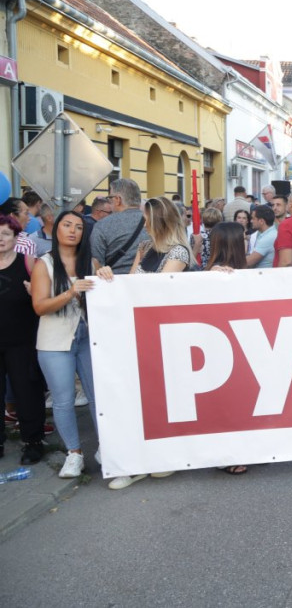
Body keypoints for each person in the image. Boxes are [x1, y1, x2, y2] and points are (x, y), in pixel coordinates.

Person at [98, 197, 195, 489]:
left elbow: (156, 291)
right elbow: (130, 285)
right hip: (138, 332)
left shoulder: (179, 252)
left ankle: (162, 457)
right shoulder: (143, 247)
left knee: (161, 397)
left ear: (157, 221)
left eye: (146, 218)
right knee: (137, 397)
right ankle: (136, 460)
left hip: (164, 334)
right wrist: (108, 277)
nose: (143, 223)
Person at [31, 211, 101, 478]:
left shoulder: (90, 262)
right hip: (54, 341)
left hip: (89, 338)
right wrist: (71, 292)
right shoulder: (44, 264)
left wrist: (105, 274)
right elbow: (40, 306)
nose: (73, 231)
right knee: (63, 401)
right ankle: (74, 453)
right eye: (67, 225)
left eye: (79, 227)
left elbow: (105, 297)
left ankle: (107, 447)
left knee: (98, 396)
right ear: (56, 228)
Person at [204, 222, 250, 475]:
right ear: (233, 242)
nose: (247, 241)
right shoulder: (215, 273)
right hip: (222, 348)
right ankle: (224, 455)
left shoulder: (242, 270)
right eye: (243, 238)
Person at [0, 214, 45, 464]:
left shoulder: (29, 263)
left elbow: (43, 297)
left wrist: (34, 291)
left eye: (6, 234)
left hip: (23, 342)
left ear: (16, 238)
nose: (0, 239)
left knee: (27, 393)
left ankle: (33, 442)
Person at [90, 178, 149, 274]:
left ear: (118, 200)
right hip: (151, 280)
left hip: (114, 281)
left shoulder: (102, 225)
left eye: (110, 198)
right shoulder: (154, 223)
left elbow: (96, 264)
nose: (109, 201)